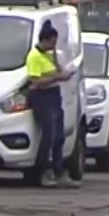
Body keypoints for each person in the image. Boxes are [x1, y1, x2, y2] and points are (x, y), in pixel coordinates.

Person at [26, 22, 78, 188]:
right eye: (52, 42)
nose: (54, 46)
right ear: (45, 40)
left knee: (59, 136)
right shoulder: (34, 57)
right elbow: (36, 82)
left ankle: (59, 171)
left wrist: (56, 59)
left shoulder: (49, 54)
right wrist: (58, 78)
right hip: (42, 97)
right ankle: (44, 171)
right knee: (48, 135)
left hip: (54, 95)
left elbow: (58, 71)